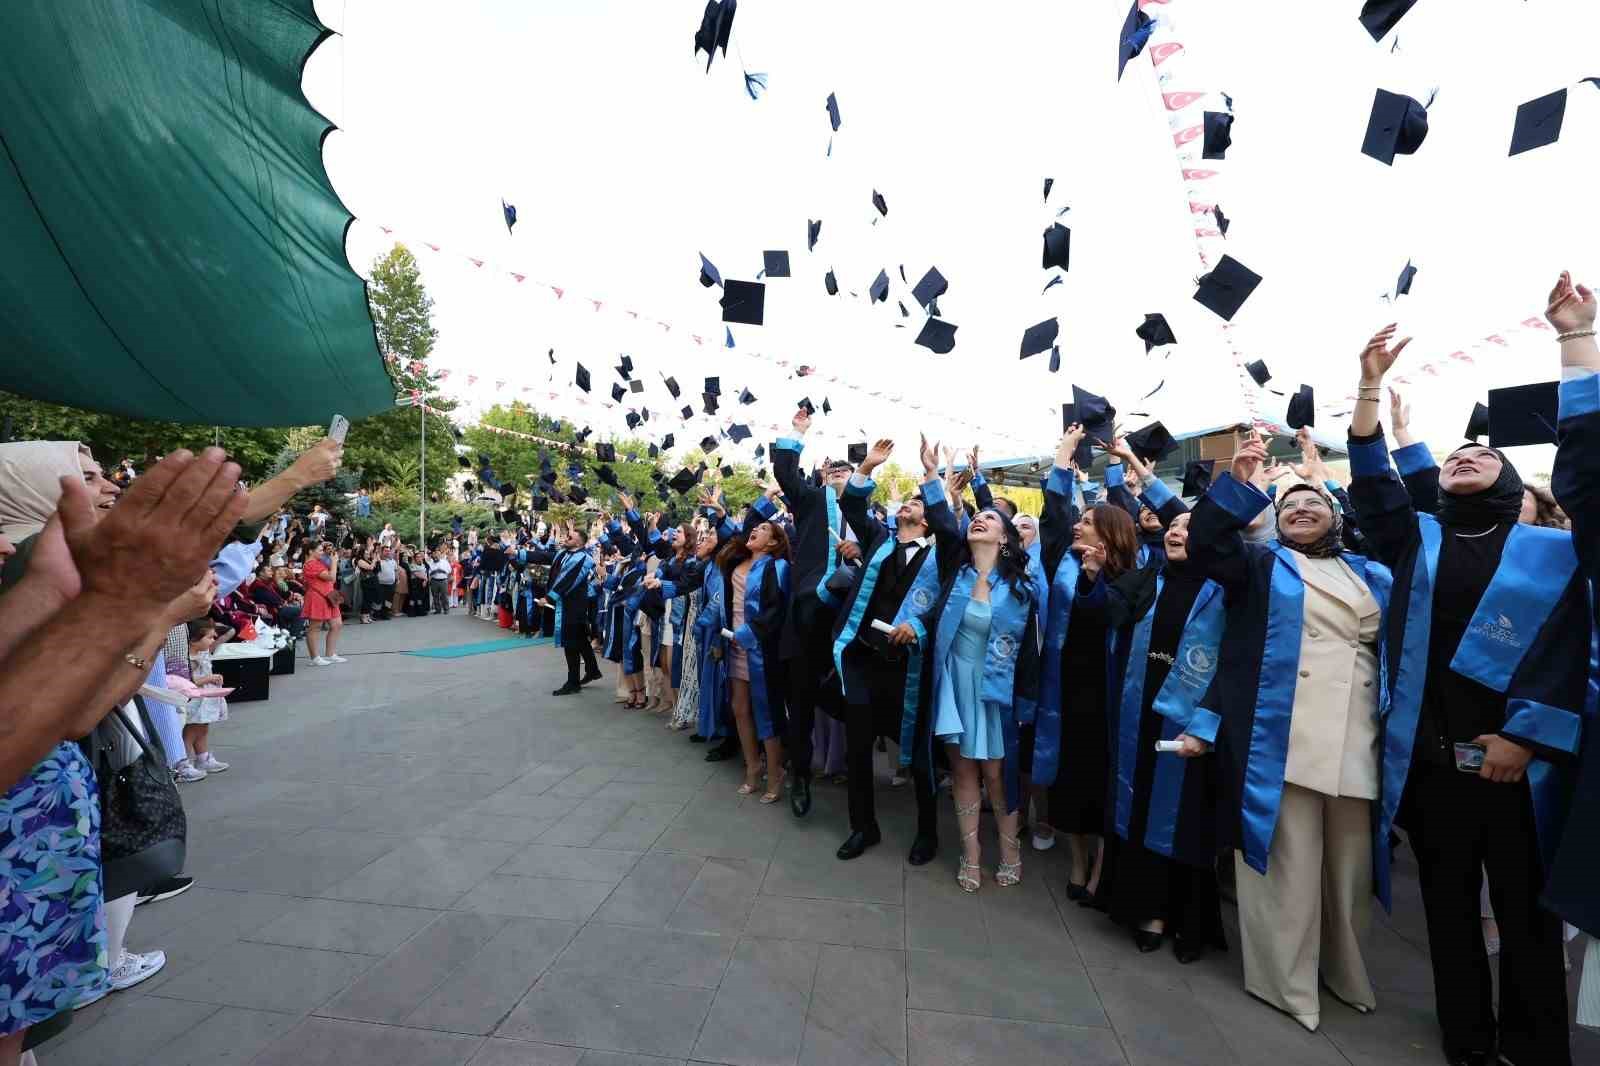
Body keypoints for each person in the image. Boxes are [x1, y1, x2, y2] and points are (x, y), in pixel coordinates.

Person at [1348, 311, 1592, 1066]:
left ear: (1513, 481)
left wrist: (1525, 735)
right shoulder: (1416, 537)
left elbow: (1576, 649)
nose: (1465, 456)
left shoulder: (1555, 553)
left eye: (1481, 455)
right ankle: (1467, 1041)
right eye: (1454, 454)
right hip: (1432, 761)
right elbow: (1374, 479)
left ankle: (1534, 1043)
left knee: (1526, 916)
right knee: (1449, 913)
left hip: (1521, 764)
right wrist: (1368, 388)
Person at [1185, 425, 1394, 1033]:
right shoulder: (1258, 565)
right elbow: (1206, 544)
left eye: (1315, 502)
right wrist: (1241, 479)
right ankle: (1285, 982)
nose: (1302, 508)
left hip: (1358, 738)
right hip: (1285, 737)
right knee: (1288, 866)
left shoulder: (1371, 574)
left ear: (1335, 516)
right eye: (1290, 504)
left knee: (1349, 872)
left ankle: (1344, 972)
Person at [826, 435, 961, 865]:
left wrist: (931, 475)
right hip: (866, 658)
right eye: (906, 504)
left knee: (917, 756)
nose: (907, 506)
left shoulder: (943, 555)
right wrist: (866, 468)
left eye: (916, 505)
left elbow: (940, 603)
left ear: (928, 521)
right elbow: (852, 507)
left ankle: (927, 834)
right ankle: (863, 827)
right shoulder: (879, 541)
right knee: (859, 747)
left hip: (909, 668)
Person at [913, 499, 1038, 891]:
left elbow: (1032, 654)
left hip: (995, 690)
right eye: (977, 516)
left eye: (991, 518)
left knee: (997, 777)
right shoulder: (956, 575)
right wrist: (934, 479)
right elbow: (930, 619)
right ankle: (971, 856)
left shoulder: (1021, 588)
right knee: (964, 772)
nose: (981, 519)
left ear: (1005, 538)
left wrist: (1027, 704)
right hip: (956, 683)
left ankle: (1009, 850)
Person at [1038, 426, 1139, 904]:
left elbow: (1107, 615)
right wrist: (1063, 453)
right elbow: (1055, 516)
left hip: (1107, 694)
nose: (1078, 526)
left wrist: (1095, 578)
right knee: (1068, 783)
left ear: (1111, 533)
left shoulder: (1132, 578)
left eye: (1089, 522)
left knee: (1099, 784)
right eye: (1080, 521)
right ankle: (1077, 861)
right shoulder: (1061, 561)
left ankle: (1101, 865)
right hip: (1064, 689)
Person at [773, 406, 857, 818]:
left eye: (848, 469)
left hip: (849, 625)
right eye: (834, 468)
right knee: (802, 702)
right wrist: (797, 431)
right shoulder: (809, 503)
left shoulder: (873, 518)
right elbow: (786, 474)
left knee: (853, 702)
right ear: (823, 476)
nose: (840, 472)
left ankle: (857, 779)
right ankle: (801, 775)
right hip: (809, 619)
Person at [716, 502, 792, 801]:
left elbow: (776, 610)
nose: (754, 530)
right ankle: (752, 767)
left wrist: (746, 634)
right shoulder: (736, 563)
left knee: (767, 712)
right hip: (733, 646)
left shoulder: (778, 566)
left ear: (773, 542)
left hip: (760, 649)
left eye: (762, 529)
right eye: (754, 527)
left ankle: (776, 772)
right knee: (740, 709)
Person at [532, 521, 603, 695]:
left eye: (570, 536)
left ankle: (573, 682)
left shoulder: (583, 558)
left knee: (570, 643)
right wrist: (519, 553)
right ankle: (592, 670)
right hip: (568, 604)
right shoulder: (563, 553)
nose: (566, 537)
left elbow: (567, 580)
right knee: (579, 640)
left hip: (574, 606)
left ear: (580, 542)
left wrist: (548, 598)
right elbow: (543, 557)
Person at [180, 617, 231, 779]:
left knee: (203, 729)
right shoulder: (190, 659)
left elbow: (226, 631)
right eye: (209, 637)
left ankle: (203, 757)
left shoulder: (202, 652)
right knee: (190, 732)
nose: (213, 639)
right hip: (195, 700)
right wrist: (209, 679)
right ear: (193, 641)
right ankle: (183, 763)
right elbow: (188, 681)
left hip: (205, 699)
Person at [301, 541, 345, 666]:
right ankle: (315, 658)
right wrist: (335, 561)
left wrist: (331, 555)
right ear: (310, 551)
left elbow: (331, 575)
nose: (323, 552)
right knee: (315, 627)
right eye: (320, 550)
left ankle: (330, 654)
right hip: (318, 596)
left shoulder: (318, 562)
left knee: (337, 624)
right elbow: (332, 577)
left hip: (330, 595)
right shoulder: (310, 564)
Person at [428, 547, 452, 614]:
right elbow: (429, 572)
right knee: (435, 596)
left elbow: (449, 570)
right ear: (434, 555)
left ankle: (446, 609)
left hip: (443, 580)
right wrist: (434, 571)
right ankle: (437, 609)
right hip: (434, 580)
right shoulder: (431, 563)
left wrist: (442, 571)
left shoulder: (445, 562)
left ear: (440, 555)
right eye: (435, 555)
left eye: (438, 555)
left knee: (444, 596)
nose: (436, 556)